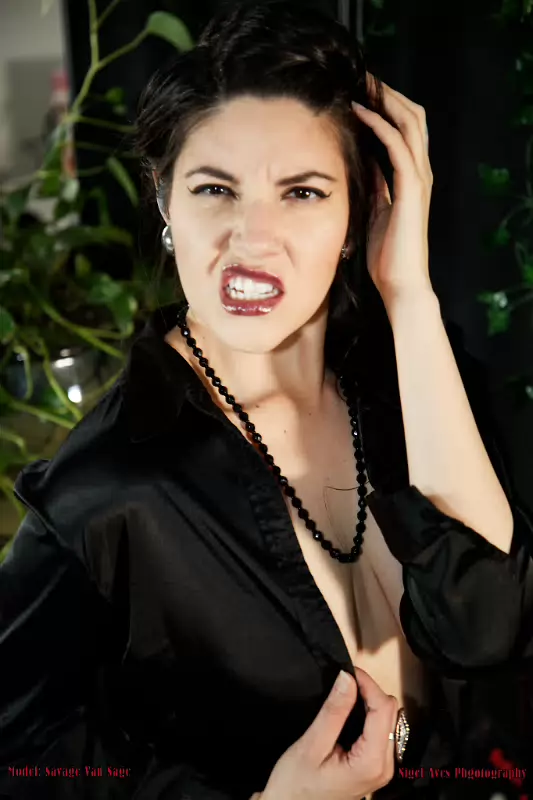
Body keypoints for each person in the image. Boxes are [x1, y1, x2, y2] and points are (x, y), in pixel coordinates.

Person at [1, 1, 532, 798]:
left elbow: (485, 627)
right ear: (164, 200)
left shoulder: (420, 380)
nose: (251, 239)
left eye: (303, 193)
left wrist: (408, 294)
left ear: (361, 209)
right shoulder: (101, 495)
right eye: (215, 189)